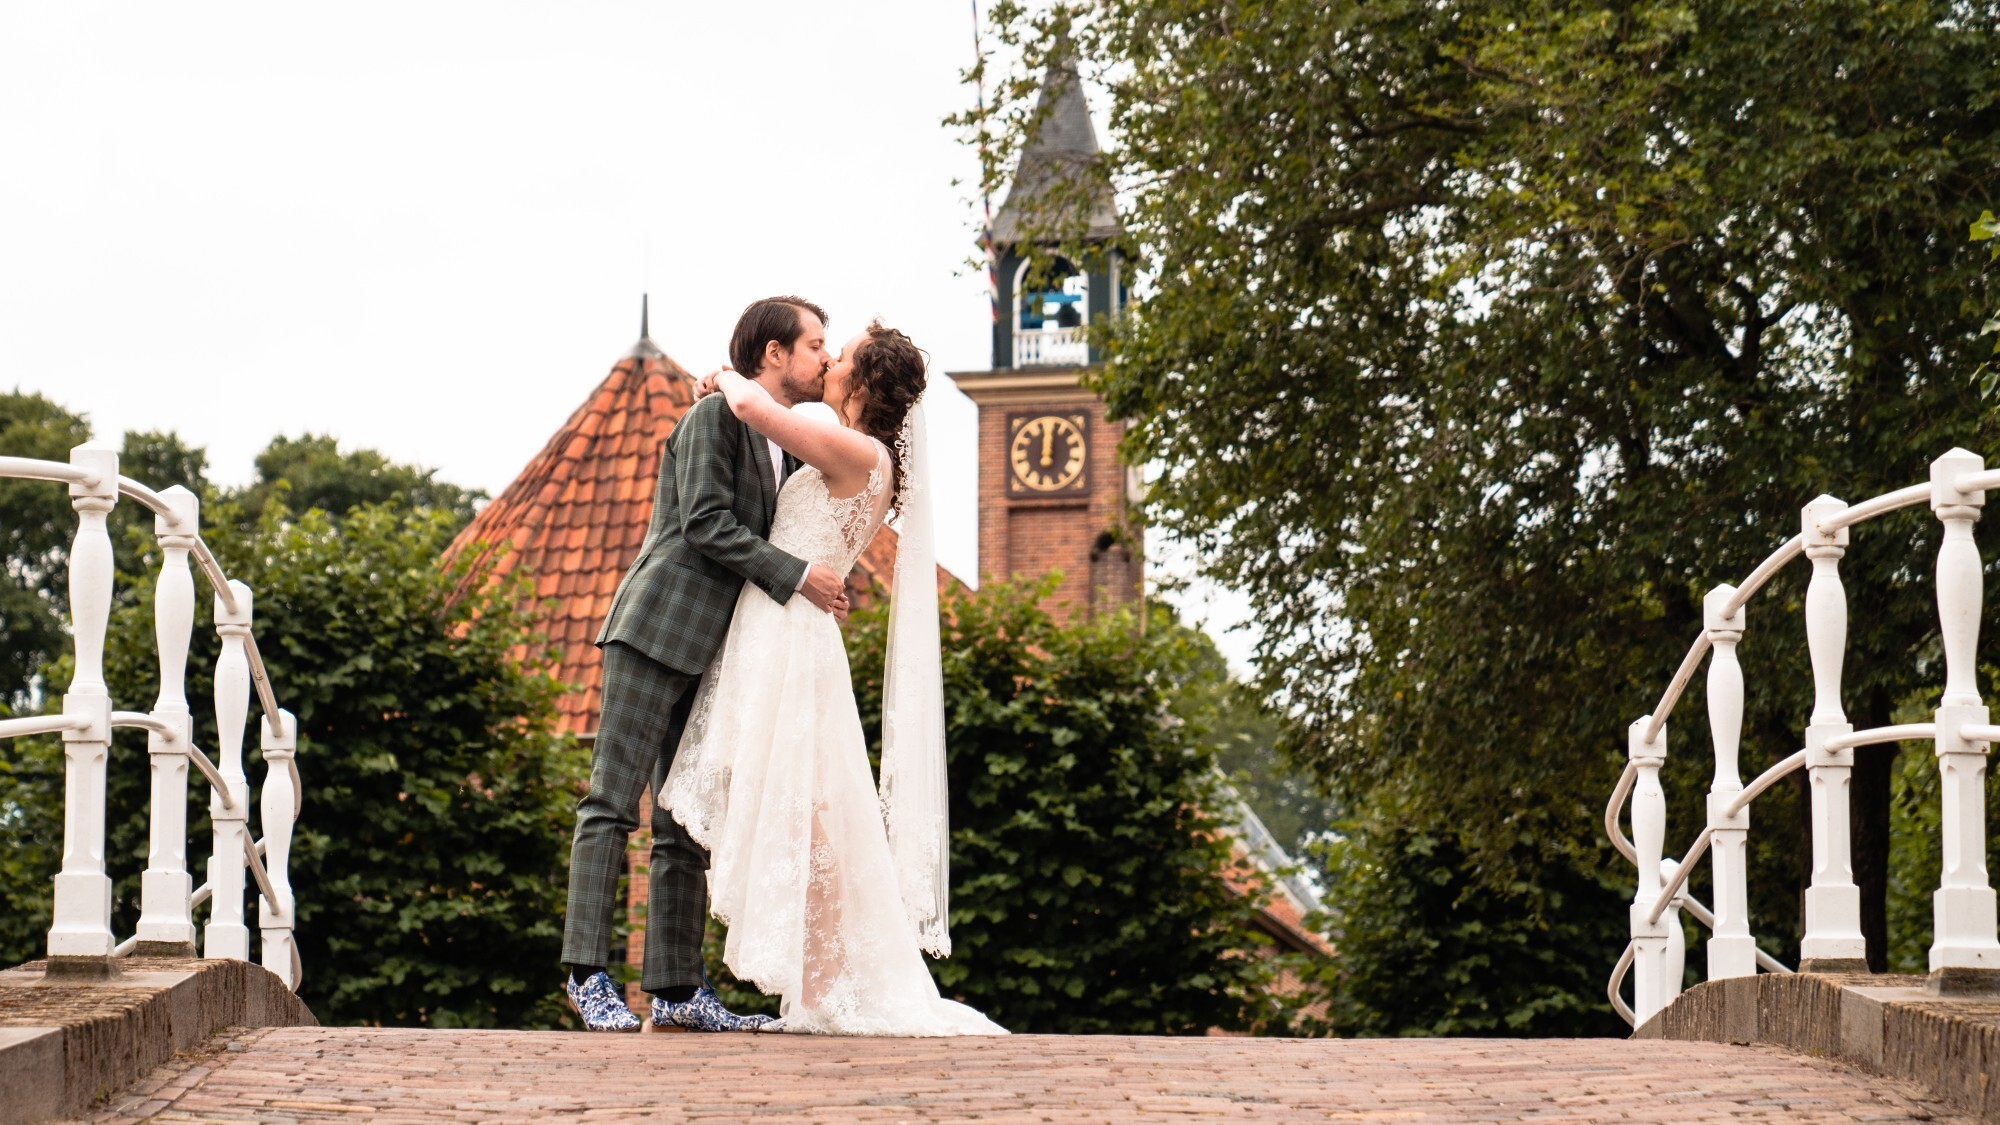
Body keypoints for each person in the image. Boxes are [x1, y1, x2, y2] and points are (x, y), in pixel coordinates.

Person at [663, 320, 1005, 1036]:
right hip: (787, 628)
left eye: (841, 357)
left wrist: (722, 376)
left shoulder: (857, 450)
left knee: (807, 812)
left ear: (866, 383)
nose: (830, 362)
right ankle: (816, 986)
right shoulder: (865, 457)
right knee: (809, 814)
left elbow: (757, 410)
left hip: (787, 637)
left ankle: (819, 989)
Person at [560, 296, 852, 1032]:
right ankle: (588, 977)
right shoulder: (712, 419)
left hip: (717, 652)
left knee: (682, 820)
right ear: (774, 353)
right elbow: (703, 522)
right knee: (610, 803)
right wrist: (799, 576)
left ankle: (676, 990)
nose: (826, 355)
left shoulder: (773, 434)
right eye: (816, 344)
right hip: (656, 628)